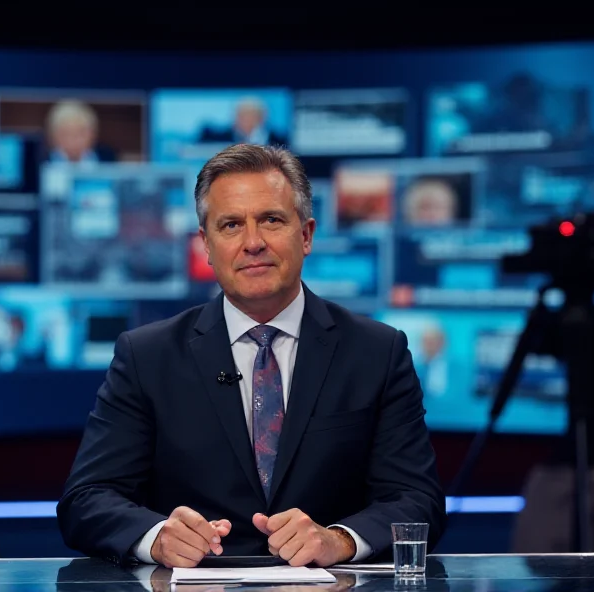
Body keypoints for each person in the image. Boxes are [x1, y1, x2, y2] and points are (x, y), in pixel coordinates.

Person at [56, 144, 446, 568]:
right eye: (230, 225)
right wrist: (156, 538)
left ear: (307, 234)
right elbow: (85, 500)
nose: (253, 243)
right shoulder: (147, 357)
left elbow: (417, 499)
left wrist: (339, 541)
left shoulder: (377, 351)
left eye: (272, 220)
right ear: (205, 245)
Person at [45, 100, 116, 164]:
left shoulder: (109, 160)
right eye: (66, 134)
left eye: (80, 134)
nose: (72, 141)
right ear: (53, 136)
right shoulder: (41, 162)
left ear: (93, 134)